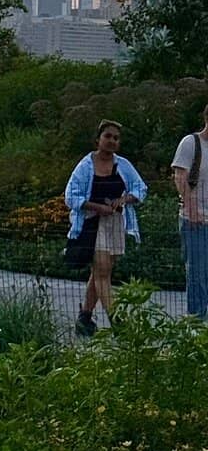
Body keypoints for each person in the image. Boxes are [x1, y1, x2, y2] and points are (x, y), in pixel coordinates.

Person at [64, 120, 147, 337]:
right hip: (92, 223)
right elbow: (71, 196)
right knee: (102, 272)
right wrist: (97, 207)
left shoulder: (123, 166)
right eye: (108, 136)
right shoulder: (85, 166)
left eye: (116, 138)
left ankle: (84, 317)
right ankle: (117, 321)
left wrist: (124, 199)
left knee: (102, 271)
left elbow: (140, 188)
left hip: (115, 224)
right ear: (98, 139)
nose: (111, 141)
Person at [171, 105, 208, 318]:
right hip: (196, 219)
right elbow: (180, 176)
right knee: (197, 272)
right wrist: (192, 208)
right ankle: (197, 321)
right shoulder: (191, 143)